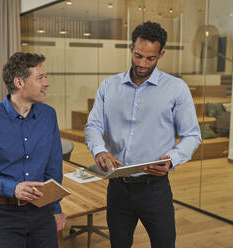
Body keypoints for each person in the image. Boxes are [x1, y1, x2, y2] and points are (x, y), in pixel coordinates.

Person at [84, 21, 201, 248]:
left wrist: (172, 159)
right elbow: (93, 126)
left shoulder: (176, 88)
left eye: (150, 58)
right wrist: (99, 150)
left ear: (161, 54)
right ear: (131, 47)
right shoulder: (109, 86)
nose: (142, 64)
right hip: (118, 188)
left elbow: (192, 135)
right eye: (138, 56)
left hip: (155, 189)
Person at [0, 52, 66, 248]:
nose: (47, 83)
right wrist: (13, 188)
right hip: (2, 216)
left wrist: (55, 207)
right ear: (19, 82)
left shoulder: (49, 116)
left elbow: (53, 168)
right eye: (40, 78)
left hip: (42, 212)